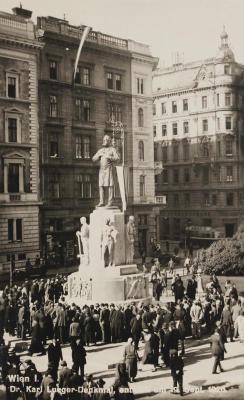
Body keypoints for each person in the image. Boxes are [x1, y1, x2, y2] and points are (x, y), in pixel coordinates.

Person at [92, 134, 120, 207]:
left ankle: (110, 201)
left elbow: (117, 158)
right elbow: (93, 159)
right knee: (101, 185)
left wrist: (110, 157)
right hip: (102, 170)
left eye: (107, 140)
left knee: (110, 186)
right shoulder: (101, 150)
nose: (105, 141)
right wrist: (99, 155)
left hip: (109, 169)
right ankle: (101, 202)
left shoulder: (112, 149)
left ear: (110, 141)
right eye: (104, 139)